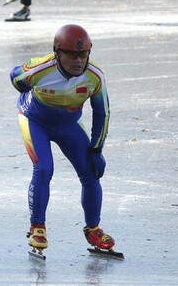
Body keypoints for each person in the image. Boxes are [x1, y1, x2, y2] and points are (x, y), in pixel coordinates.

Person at [11, 24, 115, 256]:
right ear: (57, 52)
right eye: (71, 54)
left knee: (90, 172)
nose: (78, 60)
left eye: (83, 54)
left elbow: (102, 113)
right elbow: (15, 78)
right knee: (44, 168)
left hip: (68, 124)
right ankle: (37, 227)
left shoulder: (95, 77)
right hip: (35, 120)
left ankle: (93, 228)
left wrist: (96, 150)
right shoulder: (41, 69)